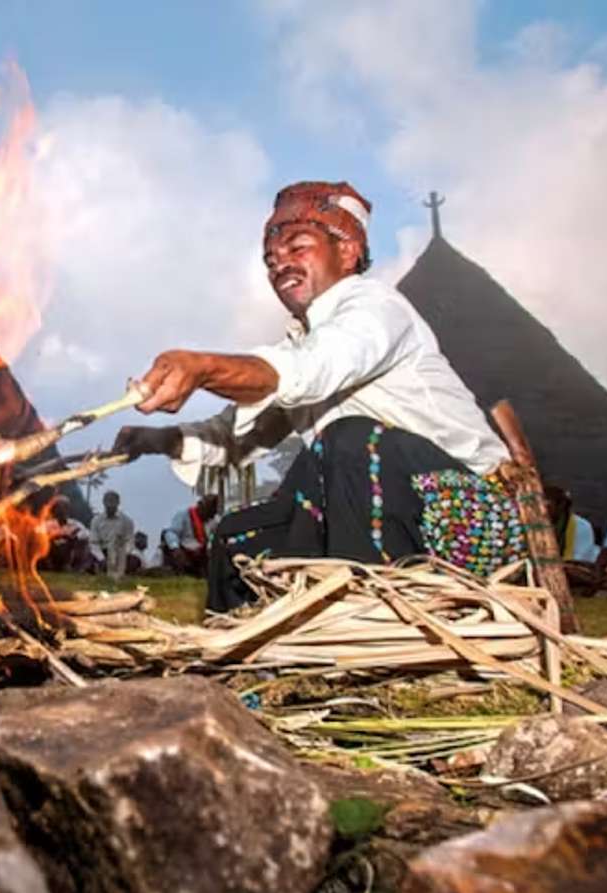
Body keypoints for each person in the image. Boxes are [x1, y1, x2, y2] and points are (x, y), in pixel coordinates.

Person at [112, 181, 520, 612]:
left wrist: (204, 367)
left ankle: (370, 628)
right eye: (271, 259)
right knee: (237, 536)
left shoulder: (375, 306)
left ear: (347, 253)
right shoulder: (302, 343)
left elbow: (312, 369)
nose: (280, 265)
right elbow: (234, 435)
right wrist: (153, 441)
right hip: (388, 508)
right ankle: (247, 663)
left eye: (298, 247)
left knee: (349, 441)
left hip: (473, 521)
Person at [164, 494, 221, 576]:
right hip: (183, 551)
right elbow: (171, 532)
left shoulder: (214, 521)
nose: (211, 516)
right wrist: (175, 548)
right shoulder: (183, 515)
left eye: (212, 513)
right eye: (209, 512)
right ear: (201, 506)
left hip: (201, 554)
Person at [91, 490, 135, 578]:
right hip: (104, 551)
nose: (110, 504)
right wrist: (101, 558)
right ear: (103, 502)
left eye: (113, 501)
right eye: (108, 501)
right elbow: (94, 543)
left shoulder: (127, 521)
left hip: (120, 551)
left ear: (118, 503)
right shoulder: (96, 521)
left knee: (134, 561)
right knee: (90, 560)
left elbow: (129, 540)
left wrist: (124, 554)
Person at [40, 496, 91, 572]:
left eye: (65, 507)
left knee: (83, 542)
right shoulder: (47, 524)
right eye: (59, 507)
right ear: (55, 509)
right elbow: (39, 535)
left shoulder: (75, 524)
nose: (62, 510)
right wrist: (57, 535)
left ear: (68, 509)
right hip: (53, 551)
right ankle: (49, 566)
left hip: (70, 551)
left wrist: (75, 537)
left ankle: (75, 567)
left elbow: (87, 533)